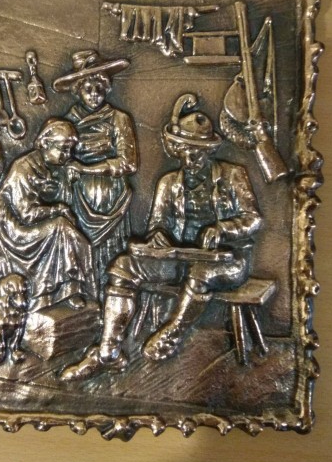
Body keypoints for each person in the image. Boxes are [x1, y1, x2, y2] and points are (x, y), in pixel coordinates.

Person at [61, 93, 262, 381]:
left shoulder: (233, 176)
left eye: (198, 152)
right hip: (178, 258)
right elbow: (157, 225)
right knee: (123, 267)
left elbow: (254, 218)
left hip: (226, 261)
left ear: (209, 151)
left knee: (201, 273)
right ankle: (108, 352)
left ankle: (173, 333)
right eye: (186, 150)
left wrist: (223, 229)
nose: (191, 158)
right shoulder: (169, 183)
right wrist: (157, 239)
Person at [0, 118, 97, 311]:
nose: (67, 155)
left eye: (69, 150)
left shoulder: (46, 166)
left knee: (72, 236)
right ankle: (59, 292)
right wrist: (57, 209)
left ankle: (69, 290)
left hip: (24, 220)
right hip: (7, 225)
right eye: (63, 149)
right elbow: (26, 213)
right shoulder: (24, 167)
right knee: (61, 228)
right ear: (45, 143)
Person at [53, 50, 138, 300]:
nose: (94, 94)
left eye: (98, 88)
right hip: (78, 197)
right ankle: (81, 296)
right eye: (88, 88)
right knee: (79, 249)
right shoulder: (67, 122)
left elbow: (129, 163)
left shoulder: (119, 119)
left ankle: (112, 301)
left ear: (106, 88)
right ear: (78, 90)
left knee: (112, 256)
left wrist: (86, 169)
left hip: (111, 197)